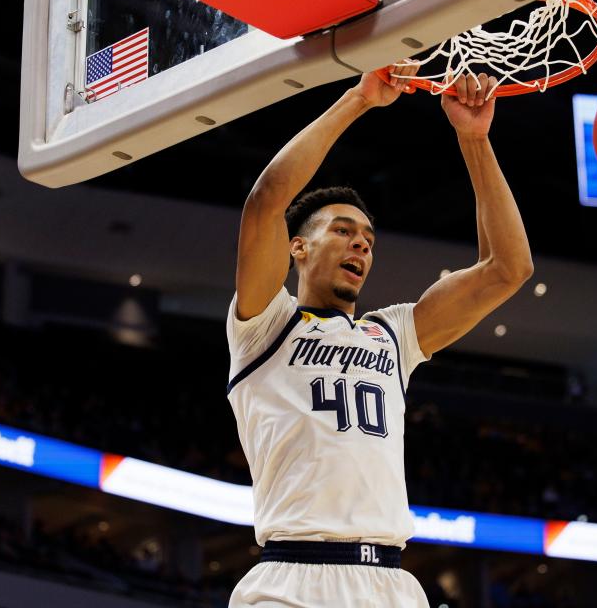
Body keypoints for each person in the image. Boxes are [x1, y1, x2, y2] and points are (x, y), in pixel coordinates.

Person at [226, 64, 533, 607]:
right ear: (297, 247)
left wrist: (474, 139)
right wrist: (359, 99)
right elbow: (267, 200)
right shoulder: (266, 325)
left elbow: (508, 267)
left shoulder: (392, 335)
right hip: (293, 577)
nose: (360, 244)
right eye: (341, 231)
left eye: (368, 237)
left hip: (390, 580)